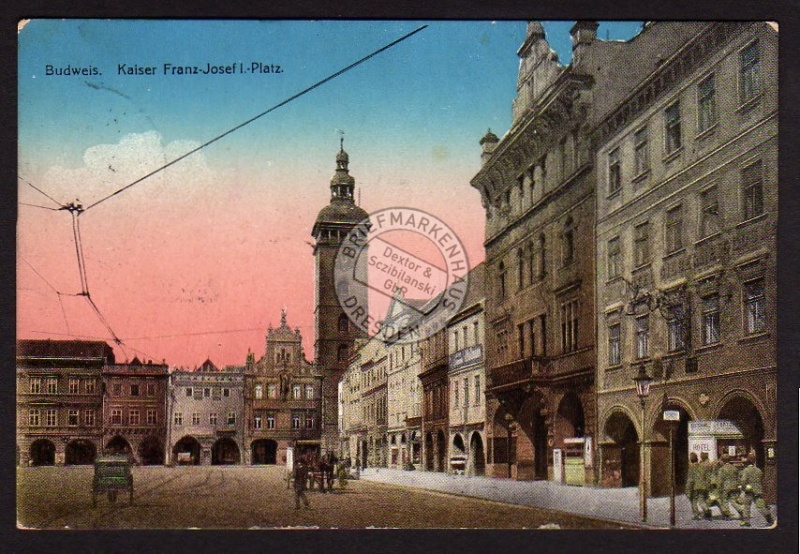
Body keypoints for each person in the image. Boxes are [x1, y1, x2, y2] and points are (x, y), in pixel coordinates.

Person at [732, 452, 774, 527]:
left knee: (746, 506)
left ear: (747, 461)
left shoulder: (746, 470)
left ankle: (746, 521)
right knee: (760, 506)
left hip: (749, 491)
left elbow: (743, 481)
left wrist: (743, 487)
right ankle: (769, 518)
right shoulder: (759, 470)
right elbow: (761, 480)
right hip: (758, 490)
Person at [716, 454, 741, 520]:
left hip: (726, 487)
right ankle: (741, 510)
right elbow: (738, 478)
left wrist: (718, 489)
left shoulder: (722, 469)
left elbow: (720, 480)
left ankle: (727, 515)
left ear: (723, 461)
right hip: (734, 486)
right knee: (733, 500)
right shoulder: (734, 468)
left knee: (725, 500)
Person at [696, 452, 713, 519]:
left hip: (701, 485)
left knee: (700, 499)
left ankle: (706, 510)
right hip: (708, 484)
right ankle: (706, 513)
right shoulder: (710, 464)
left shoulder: (701, 465)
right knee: (706, 498)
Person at [685, 452, 700, 520]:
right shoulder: (700, 465)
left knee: (693, 500)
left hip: (693, 486)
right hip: (699, 485)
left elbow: (690, 479)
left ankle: (696, 514)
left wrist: (687, 489)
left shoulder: (691, 467)